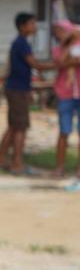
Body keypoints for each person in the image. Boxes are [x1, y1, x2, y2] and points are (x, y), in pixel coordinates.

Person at [0, 12, 54, 174]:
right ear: (23, 27)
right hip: (18, 90)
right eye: (32, 24)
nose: (35, 27)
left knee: (13, 126)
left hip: (16, 88)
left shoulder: (18, 43)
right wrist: (58, 64)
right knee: (21, 128)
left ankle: (1, 159)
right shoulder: (22, 44)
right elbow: (35, 64)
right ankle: (17, 163)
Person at [51, 18, 80, 179]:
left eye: (62, 31)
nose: (60, 34)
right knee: (64, 131)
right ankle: (60, 167)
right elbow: (60, 63)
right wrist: (68, 48)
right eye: (57, 31)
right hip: (65, 93)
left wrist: (72, 60)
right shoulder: (58, 49)